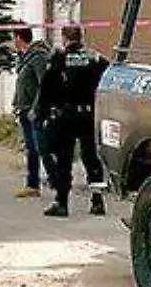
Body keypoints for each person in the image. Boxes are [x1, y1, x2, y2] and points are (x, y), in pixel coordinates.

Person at [33, 25, 109, 218]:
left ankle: (61, 202)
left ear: (64, 39)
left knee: (64, 160)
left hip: (64, 117)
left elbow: (46, 88)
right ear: (81, 38)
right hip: (89, 116)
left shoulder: (58, 59)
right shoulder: (95, 59)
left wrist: (40, 114)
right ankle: (98, 200)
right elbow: (108, 80)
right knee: (91, 158)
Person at [11, 27, 51, 199]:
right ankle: (32, 185)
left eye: (14, 38)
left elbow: (45, 85)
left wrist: (36, 108)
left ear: (19, 38)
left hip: (34, 112)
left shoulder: (38, 57)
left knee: (41, 148)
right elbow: (22, 82)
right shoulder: (25, 58)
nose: (13, 42)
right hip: (24, 109)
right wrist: (16, 103)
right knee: (31, 149)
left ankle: (57, 178)